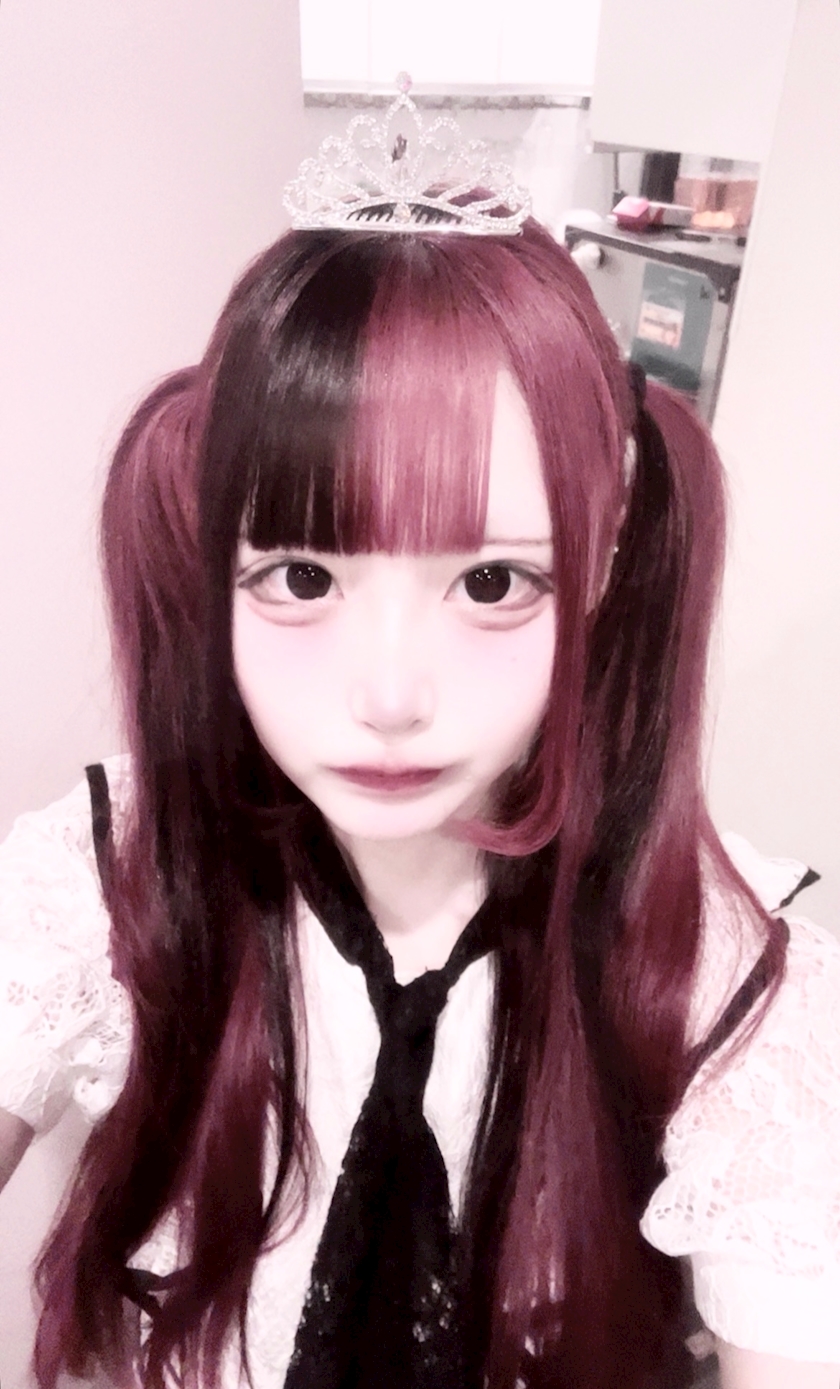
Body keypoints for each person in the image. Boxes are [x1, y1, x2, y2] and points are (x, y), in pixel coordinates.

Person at [1, 93, 839, 1389]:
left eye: (493, 583)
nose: (389, 695)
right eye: (300, 576)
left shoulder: (727, 981)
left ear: (603, 568)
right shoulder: (104, 880)